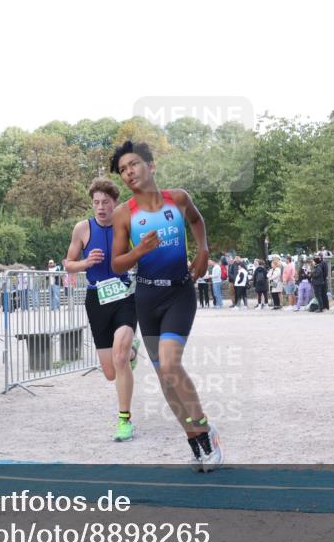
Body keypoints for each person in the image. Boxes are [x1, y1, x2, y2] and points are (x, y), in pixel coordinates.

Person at [109, 141, 222, 471]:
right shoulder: (123, 214)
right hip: (147, 298)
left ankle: (205, 431)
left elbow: (198, 222)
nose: (129, 172)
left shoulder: (179, 199)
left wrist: (202, 251)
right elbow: (117, 264)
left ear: (151, 165)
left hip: (179, 294)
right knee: (163, 377)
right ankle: (194, 442)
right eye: (123, 170)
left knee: (171, 366)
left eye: (133, 165)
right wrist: (139, 252)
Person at [64, 176, 140, 442]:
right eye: (96, 202)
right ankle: (132, 350)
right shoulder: (82, 229)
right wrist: (85, 262)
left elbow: (143, 254)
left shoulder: (128, 226)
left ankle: (124, 420)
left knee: (119, 359)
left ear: (115, 203)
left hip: (124, 296)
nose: (100, 207)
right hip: (96, 299)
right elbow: (68, 263)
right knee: (110, 372)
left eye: (105, 202)